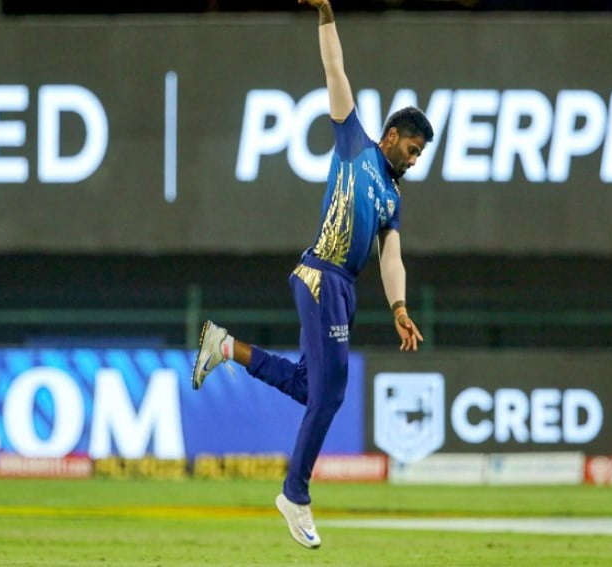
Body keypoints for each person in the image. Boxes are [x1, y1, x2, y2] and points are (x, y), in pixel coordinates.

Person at [192, 0, 434, 550]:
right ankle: (294, 493)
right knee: (329, 396)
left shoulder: (393, 197)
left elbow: (391, 258)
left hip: (342, 289)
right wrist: (327, 16)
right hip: (321, 274)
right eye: (412, 148)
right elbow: (335, 70)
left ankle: (224, 346)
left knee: (311, 388)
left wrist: (399, 307)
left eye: (420, 154)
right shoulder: (355, 144)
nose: (414, 159)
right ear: (391, 135)